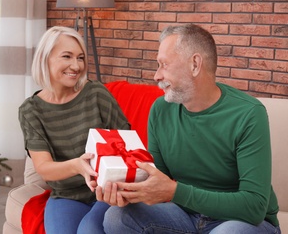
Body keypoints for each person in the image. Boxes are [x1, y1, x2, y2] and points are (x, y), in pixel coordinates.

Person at [96, 24, 281, 233]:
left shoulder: (248, 113)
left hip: (241, 222)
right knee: (117, 218)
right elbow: (155, 178)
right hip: (186, 215)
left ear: (195, 64)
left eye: (163, 65)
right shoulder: (161, 109)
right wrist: (124, 189)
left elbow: (254, 207)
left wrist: (175, 192)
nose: (156, 76)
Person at [19, 26, 130, 234]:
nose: (76, 66)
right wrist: (78, 166)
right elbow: (43, 167)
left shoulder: (96, 93)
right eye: (67, 56)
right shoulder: (30, 110)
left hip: (106, 193)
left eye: (80, 58)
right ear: (45, 59)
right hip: (65, 195)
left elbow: (127, 144)